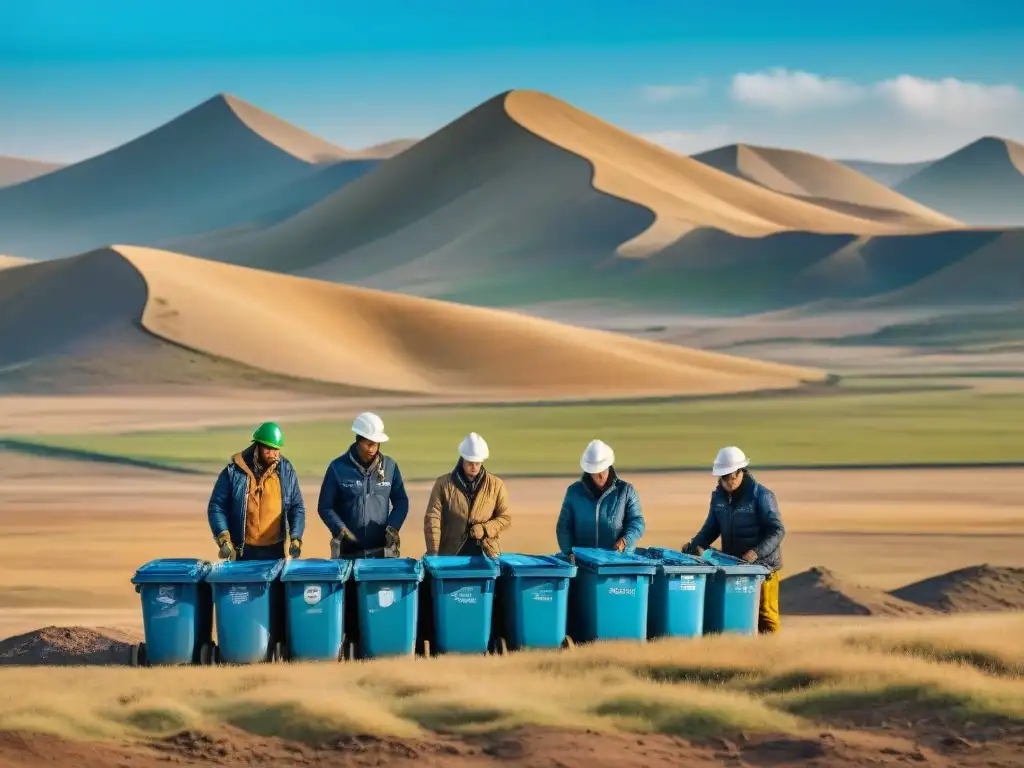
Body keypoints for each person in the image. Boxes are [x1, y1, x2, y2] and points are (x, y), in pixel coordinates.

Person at [682, 446, 785, 634]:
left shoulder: (762, 496)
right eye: (722, 478)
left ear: (740, 473)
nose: (726, 482)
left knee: (766, 616)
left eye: (729, 477)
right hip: (735, 568)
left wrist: (756, 553)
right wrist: (694, 547)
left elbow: (777, 530)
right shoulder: (718, 498)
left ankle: (773, 656)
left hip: (764, 568)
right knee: (738, 615)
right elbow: (710, 528)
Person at [206, 422, 305, 561]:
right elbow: (217, 506)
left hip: (275, 552)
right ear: (257, 446)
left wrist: (296, 537)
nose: (273, 454)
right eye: (268, 449)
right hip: (243, 552)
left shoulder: (286, 471)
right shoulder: (234, 472)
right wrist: (223, 536)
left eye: (276, 449)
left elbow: (297, 506)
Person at [317, 412, 409, 559]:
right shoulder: (337, 468)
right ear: (358, 440)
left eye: (376, 444)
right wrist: (341, 530)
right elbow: (325, 506)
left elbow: (402, 501)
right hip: (347, 554)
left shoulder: (390, 467)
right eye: (368, 444)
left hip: (382, 553)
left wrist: (393, 528)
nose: (372, 449)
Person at [423, 432, 512, 557]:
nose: (474, 467)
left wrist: (485, 529)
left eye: (477, 463)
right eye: (470, 463)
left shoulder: (496, 485)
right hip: (450, 553)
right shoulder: (443, 484)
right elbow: (433, 519)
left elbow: (505, 518)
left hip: (486, 554)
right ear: (462, 460)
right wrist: (433, 552)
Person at [555, 439, 645, 556]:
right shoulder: (574, 492)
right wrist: (568, 553)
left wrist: (625, 540)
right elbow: (563, 527)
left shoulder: (626, 491)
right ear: (588, 471)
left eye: (603, 469)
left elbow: (637, 521)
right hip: (584, 563)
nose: (601, 475)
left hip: (618, 562)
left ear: (609, 466)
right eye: (596, 471)